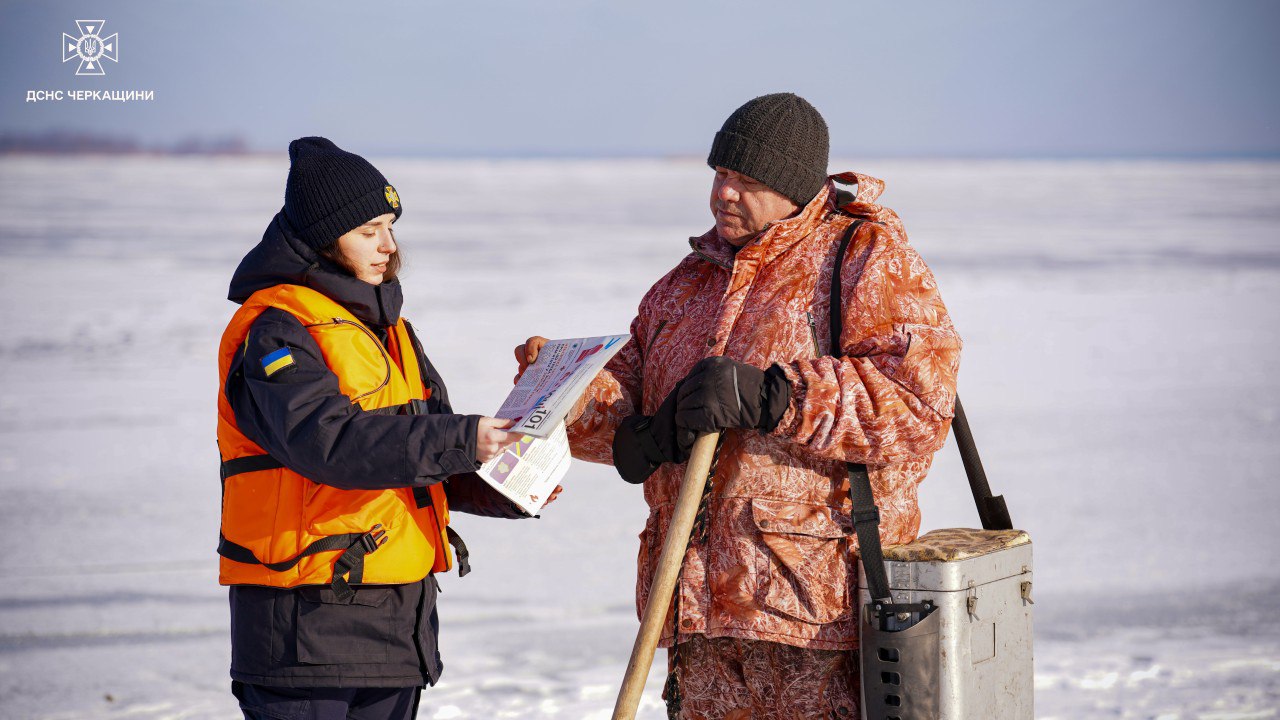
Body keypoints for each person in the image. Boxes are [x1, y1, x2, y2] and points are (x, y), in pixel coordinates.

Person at [515, 93, 960, 718]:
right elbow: (627, 402)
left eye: (746, 181)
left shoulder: (863, 259)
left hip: (814, 615)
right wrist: (568, 391)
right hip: (693, 610)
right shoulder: (687, 282)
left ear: (795, 188)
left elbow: (917, 405)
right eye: (719, 174)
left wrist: (774, 397)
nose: (724, 193)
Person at [217, 137, 557, 720]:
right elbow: (325, 442)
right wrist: (461, 438)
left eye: (391, 227)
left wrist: (506, 484)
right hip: (304, 627)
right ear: (326, 239)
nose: (389, 246)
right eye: (369, 230)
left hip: (396, 625)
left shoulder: (390, 329)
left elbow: (422, 457)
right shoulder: (276, 330)